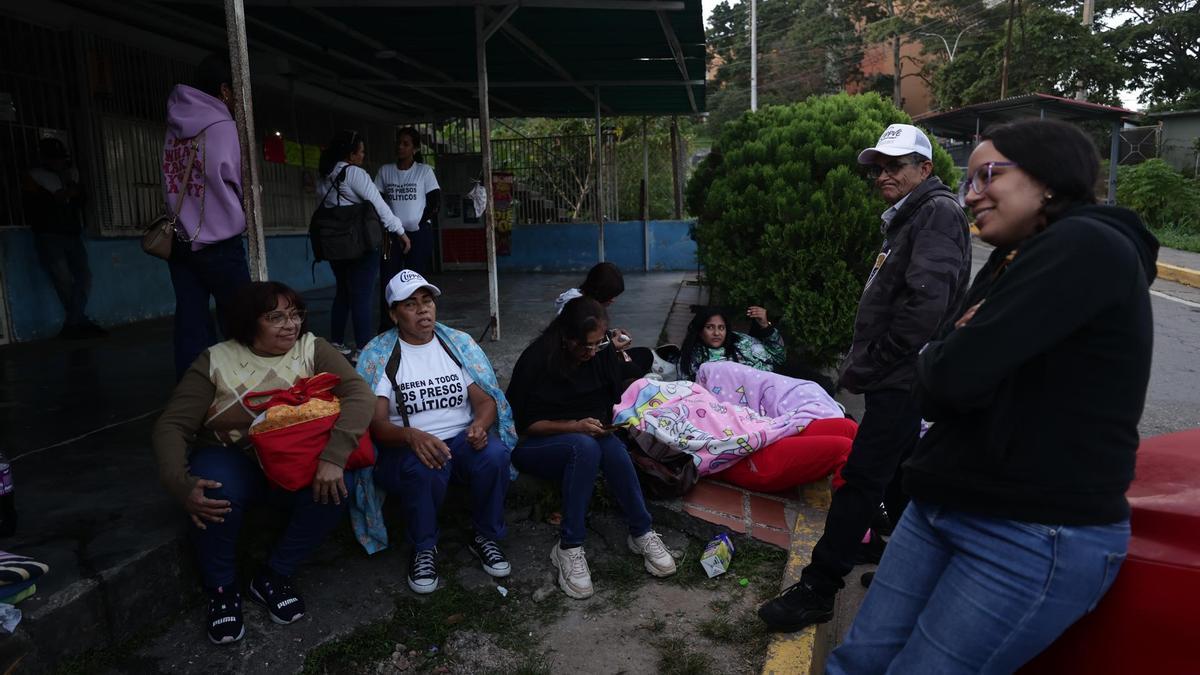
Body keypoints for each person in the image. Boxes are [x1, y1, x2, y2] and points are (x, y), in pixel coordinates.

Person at [827, 119, 1157, 674]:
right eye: (970, 179)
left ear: (1049, 180)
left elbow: (946, 374)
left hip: (1027, 531)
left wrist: (951, 350)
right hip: (943, 503)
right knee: (856, 662)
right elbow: (944, 379)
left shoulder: (1086, 244)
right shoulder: (1015, 255)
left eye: (989, 175)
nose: (972, 193)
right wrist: (954, 349)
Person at [758, 123, 971, 632]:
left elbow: (927, 302)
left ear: (925, 169)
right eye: (879, 167)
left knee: (861, 480)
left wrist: (881, 358)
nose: (883, 175)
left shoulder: (936, 212)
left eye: (895, 165)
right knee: (902, 474)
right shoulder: (913, 216)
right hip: (901, 374)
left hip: (904, 376)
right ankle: (910, 571)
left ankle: (819, 588)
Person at [152, 281, 373, 645]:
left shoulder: (311, 348)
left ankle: (273, 575)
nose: (291, 325)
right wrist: (179, 481)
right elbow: (173, 425)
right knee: (214, 493)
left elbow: (358, 395)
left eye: (295, 314)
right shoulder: (216, 360)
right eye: (275, 317)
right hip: (232, 457)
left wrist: (334, 457)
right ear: (247, 322)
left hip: (293, 460)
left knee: (334, 490)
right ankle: (222, 589)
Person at [506, 296, 676, 599]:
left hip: (588, 437)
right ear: (566, 338)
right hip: (537, 444)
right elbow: (525, 426)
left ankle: (641, 531)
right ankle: (569, 547)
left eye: (599, 344)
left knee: (610, 447)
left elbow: (612, 393)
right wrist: (575, 427)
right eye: (587, 345)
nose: (593, 351)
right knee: (584, 447)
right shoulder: (538, 360)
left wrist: (618, 355)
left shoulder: (601, 354)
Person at [368, 270, 512, 594]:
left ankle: (485, 535)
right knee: (426, 464)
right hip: (407, 448)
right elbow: (376, 424)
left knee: (495, 454)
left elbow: (485, 400)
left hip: (460, 441)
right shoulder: (381, 356)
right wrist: (411, 436)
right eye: (410, 304)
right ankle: (424, 547)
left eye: (427, 300)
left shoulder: (455, 345)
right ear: (393, 313)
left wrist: (479, 425)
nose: (423, 310)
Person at [161, 54, 252, 380]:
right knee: (240, 319)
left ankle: (194, 395)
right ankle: (242, 388)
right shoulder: (223, 125)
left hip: (181, 241)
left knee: (190, 323)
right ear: (225, 90)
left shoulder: (174, 127)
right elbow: (238, 180)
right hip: (219, 241)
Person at [317, 130, 410, 361]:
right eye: (361, 152)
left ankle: (337, 342)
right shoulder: (354, 173)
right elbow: (379, 205)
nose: (362, 156)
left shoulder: (324, 174)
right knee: (362, 296)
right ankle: (363, 349)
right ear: (350, 154)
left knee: (343, 293)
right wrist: (400, 231)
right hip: (359, 243)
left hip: (334, 245)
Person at [21, 137, 104, 338]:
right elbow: (32, 206)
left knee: (84, 277)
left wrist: (70, 189)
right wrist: (60, 196)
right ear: (45, 159)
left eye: (60, 158)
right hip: (48, 234)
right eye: (54, 159)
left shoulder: (70, 174)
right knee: (63, 280)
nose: (58, 162)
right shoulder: (35, 177)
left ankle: (73, 323)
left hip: (72, 233)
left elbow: (82, 200)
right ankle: (78, 322)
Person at [375, 127, 441, 330]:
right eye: (399, 142)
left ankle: (415, 324)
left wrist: (418, 224)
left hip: (419, 235)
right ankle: (387, 325)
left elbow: (435, 202)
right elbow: (375, 201)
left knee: (414, 281)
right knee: (388, 280)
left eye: (406, 143)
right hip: (390, 236)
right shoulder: (385, 171)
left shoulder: (424, 171)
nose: (400, 147)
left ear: (415, 148)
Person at [678, 306, 784, 380]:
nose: (716, 333)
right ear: (700, 331)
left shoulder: (742, 342)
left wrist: (766, 326)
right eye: (709, 327)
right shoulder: (691, 356)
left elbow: (778, 357)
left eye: (721, 328)